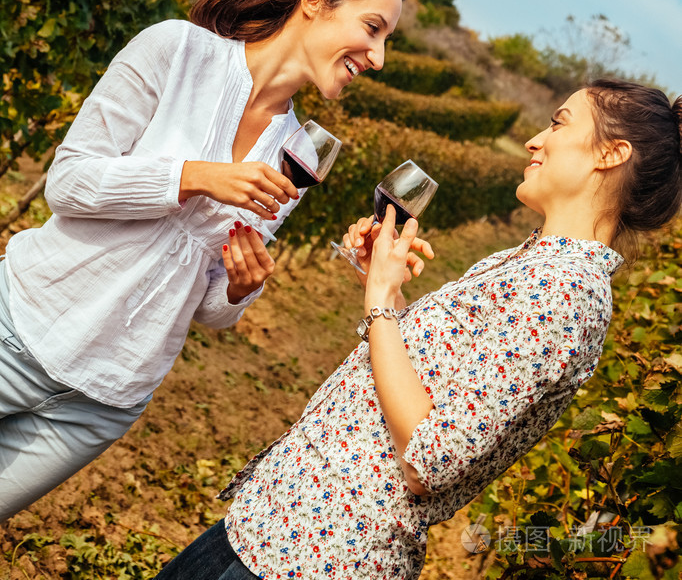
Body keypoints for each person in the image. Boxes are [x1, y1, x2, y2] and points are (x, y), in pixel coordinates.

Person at [154, 79, 682, 580]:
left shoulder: (567, 293)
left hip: (323, 545)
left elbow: (432, 460)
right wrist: (388, 286)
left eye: (559, 124)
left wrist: (381, 303)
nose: (535, 138)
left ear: (611, 154)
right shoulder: (538, 266)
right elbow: (430, 390)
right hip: (283, 515)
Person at [0, 0, 407, 522]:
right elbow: (70, 183)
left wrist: (240, 288)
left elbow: (211, 311)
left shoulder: (299, 151)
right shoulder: (176, 51)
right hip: (20, 328)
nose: (378, 57)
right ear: (315, 3)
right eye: (373, 29)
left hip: (104, 401)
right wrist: (193, 176)